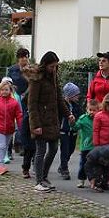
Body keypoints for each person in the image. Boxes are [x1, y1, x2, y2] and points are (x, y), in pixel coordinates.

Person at [26, 51, 74, 191]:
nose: (54, 69)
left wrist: (68, 114)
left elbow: (59, 99)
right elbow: (32, 103)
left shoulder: (54, 78)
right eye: (52, 66)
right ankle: (39, 181)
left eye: (55, 66)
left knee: (53, 148)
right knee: (40, 150)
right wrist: (35, 124)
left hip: (53, 120)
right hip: (40, 120)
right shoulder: (37, 79)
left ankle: (44, 176)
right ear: (45, 65)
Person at [57, 82, 83, 180]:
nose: (78, 97)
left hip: (73, 131)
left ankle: (63, 164)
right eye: (76, 95)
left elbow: (80, 115)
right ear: (70, 95)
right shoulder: (63, 105)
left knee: (71, 149)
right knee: (65, 150)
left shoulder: (76, 105)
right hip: (64, 131)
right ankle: (64, 168)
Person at [73, 98, 99, 188]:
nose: (92, 112)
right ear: (87, 109)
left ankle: (94, 180)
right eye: (90, 110)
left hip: (95, 146)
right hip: (86, 146)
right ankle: (81, 179)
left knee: (95, 165)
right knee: (83, 163)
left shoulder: (99, 118)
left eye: (94, 110)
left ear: (98, 110)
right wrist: (72, 123)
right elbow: (76, 127)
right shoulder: (83, 119)